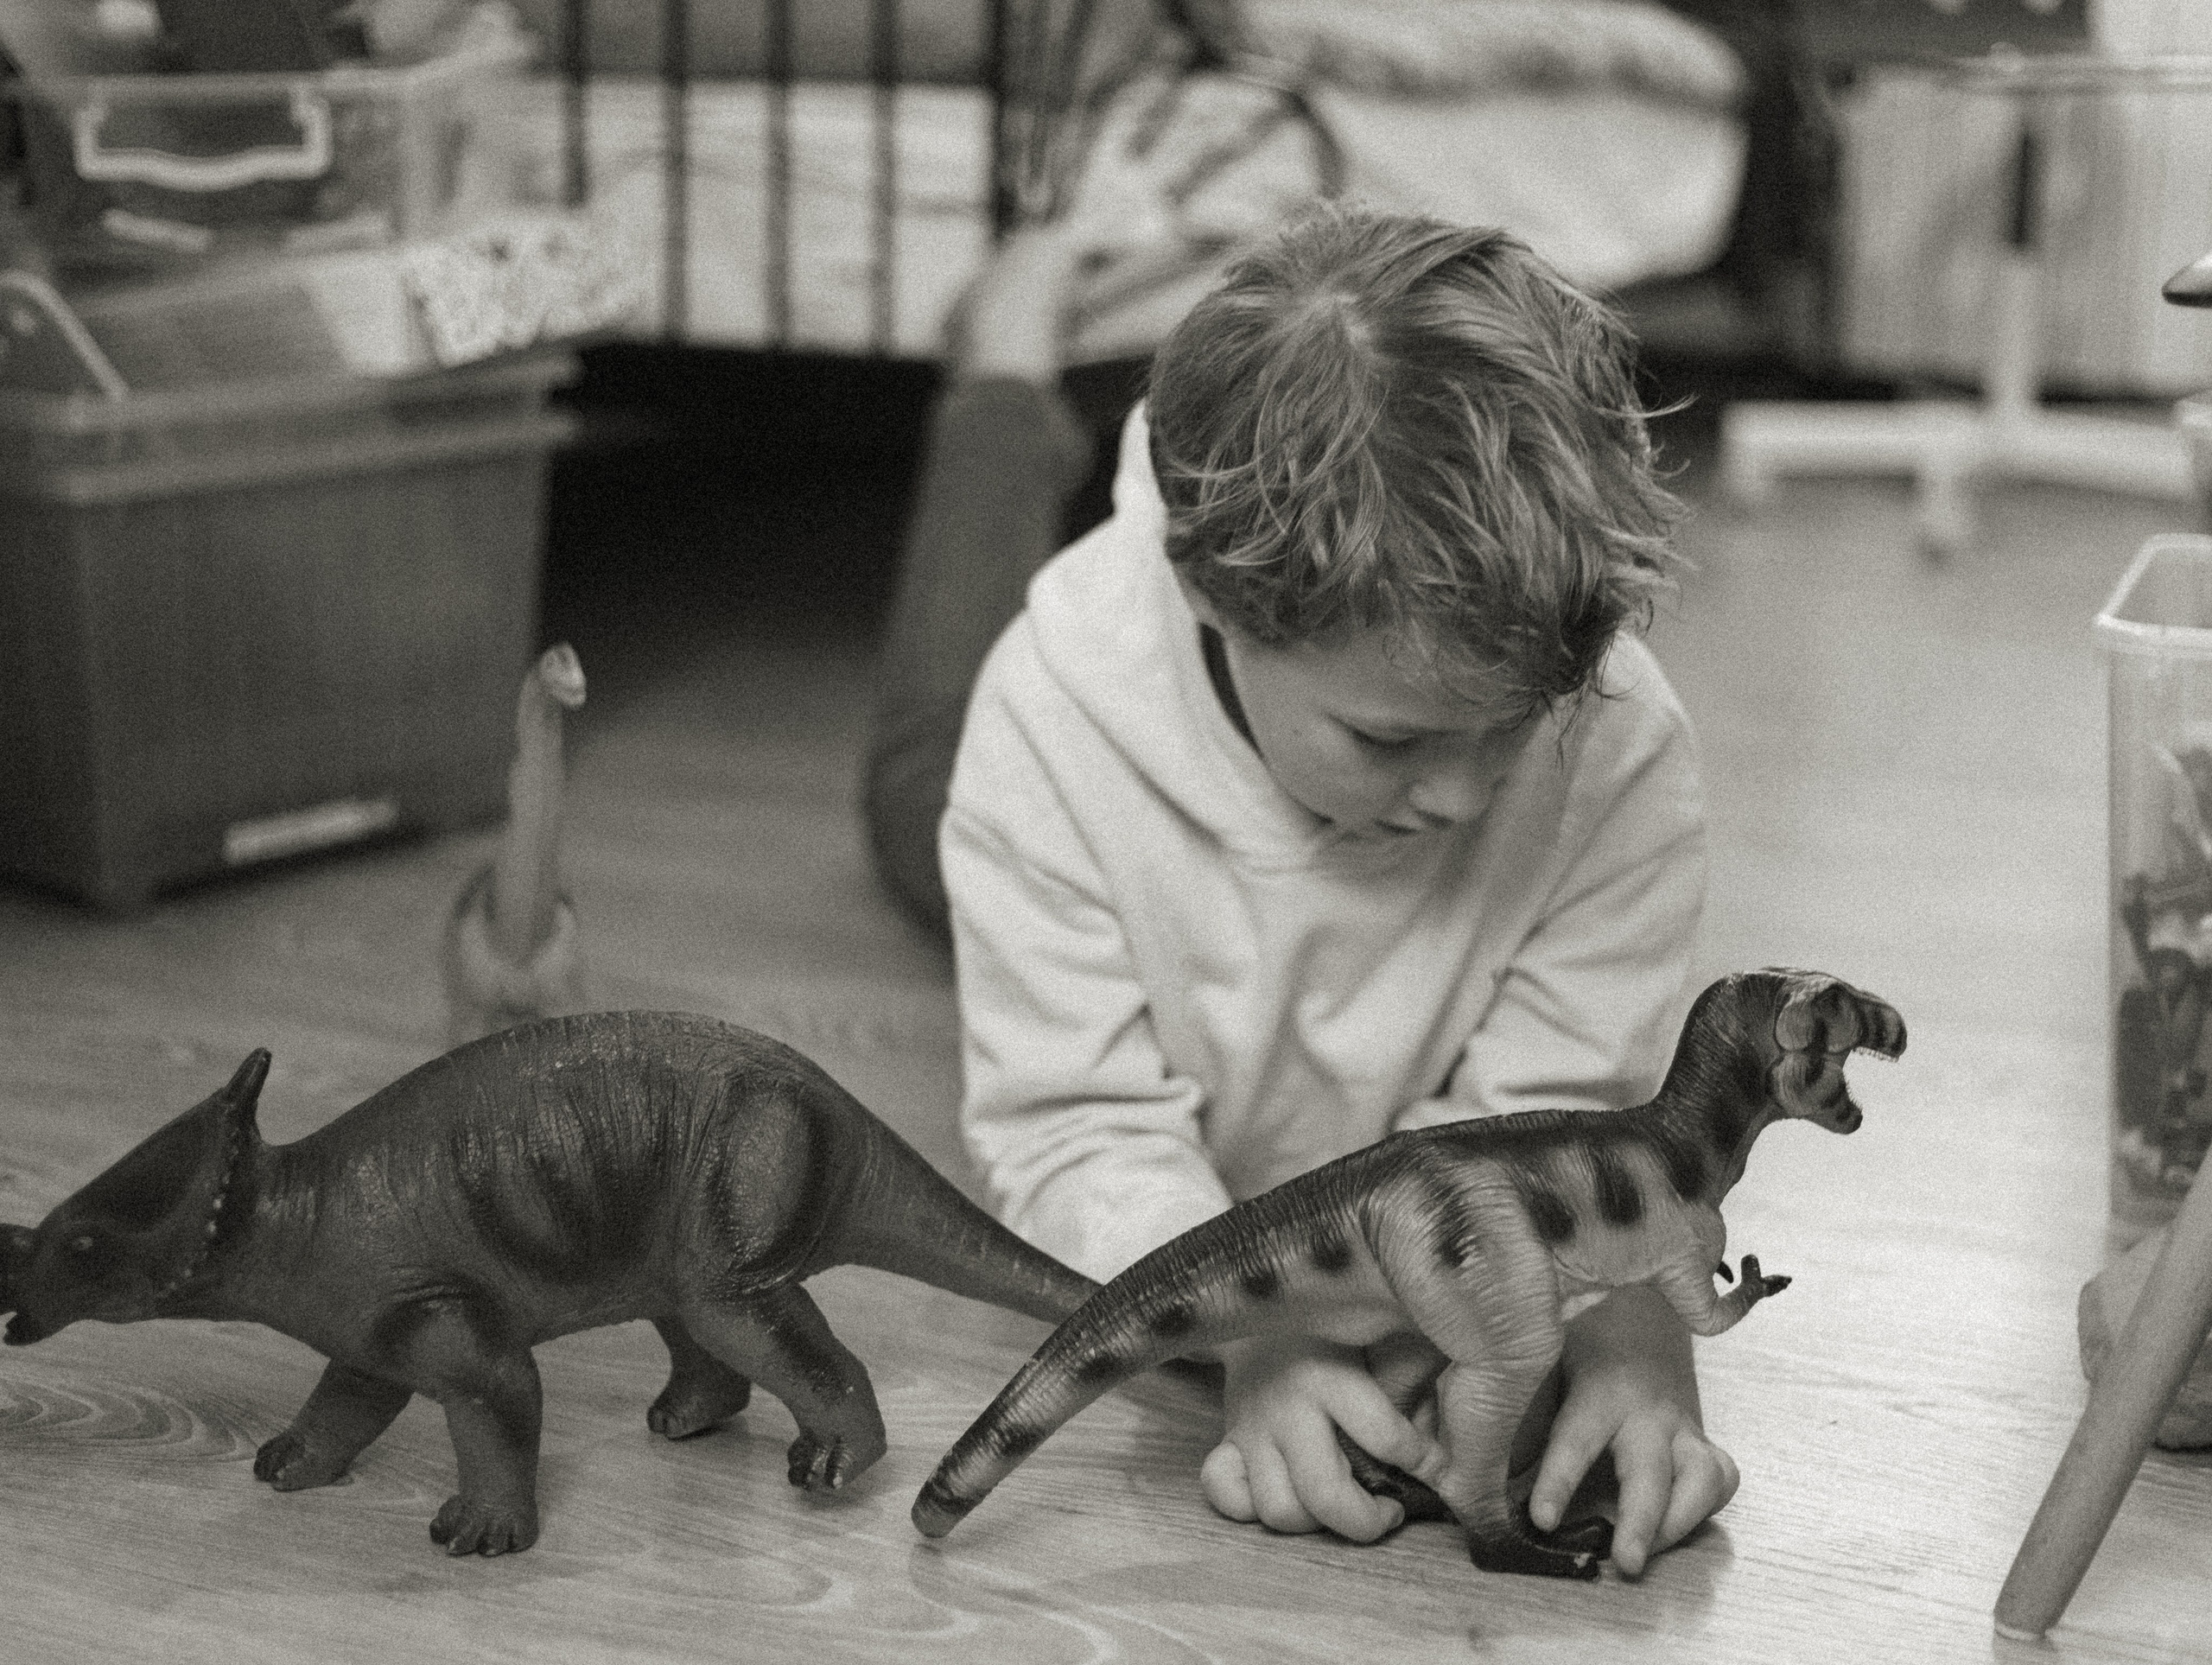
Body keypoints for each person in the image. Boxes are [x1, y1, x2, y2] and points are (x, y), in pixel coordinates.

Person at [863, 111, 1724, 1581]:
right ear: (1215, 605)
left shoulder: (1619, 742)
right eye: (1390, 742)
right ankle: (1008, 356)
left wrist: (1626, 1317)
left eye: (1508, 730)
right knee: (909, 785)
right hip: (1022, 752)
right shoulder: (1054, 722)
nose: (1460, 800)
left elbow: (1560, 1122)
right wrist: (1248, 1340)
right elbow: (1077, 1126)